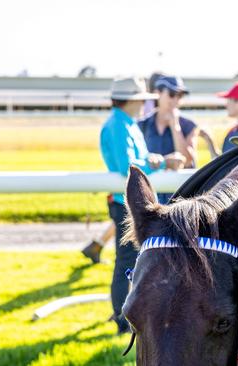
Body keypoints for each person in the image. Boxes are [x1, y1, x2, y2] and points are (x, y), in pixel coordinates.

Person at [99, 76, 184, 334]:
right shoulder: (117, 125)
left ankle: (130, 316)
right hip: (124, 203)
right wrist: (159, 162)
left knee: (136, 259)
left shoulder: (126, 124)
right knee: (127, 260)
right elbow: (128, 167)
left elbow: (138, 160)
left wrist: (157, 160)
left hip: (131, 201)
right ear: (132, 100)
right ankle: (122, 321)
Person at [138, 75, 198, 203]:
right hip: (150, 195)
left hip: (179, 198)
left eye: (180, 95)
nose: (176, 100)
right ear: (157, 93)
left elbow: (187, 161)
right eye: (171, 94)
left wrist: (175, 127)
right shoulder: (141, 124)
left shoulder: (189, 125)